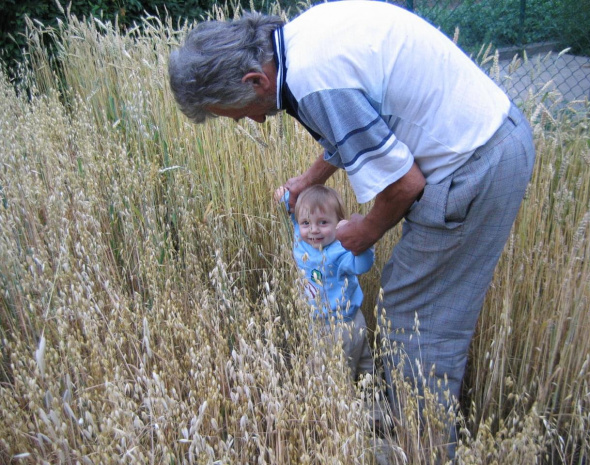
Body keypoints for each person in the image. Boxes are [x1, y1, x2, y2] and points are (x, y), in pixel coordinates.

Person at [168, 0, 536, 449]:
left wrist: (366, 231)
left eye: (242, 111)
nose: (255, 120)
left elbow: (404, 184)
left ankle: (418, 451)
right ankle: (401, 430)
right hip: (488, 141)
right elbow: (360, 124)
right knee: (410, 306)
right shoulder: (300, 41)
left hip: (477, 164)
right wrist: (311, 178)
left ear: (255, 81)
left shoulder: (316, 83)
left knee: (417, 320)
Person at [274, 184, 375, 382]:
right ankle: (374, 405)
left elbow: (361, 265)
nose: (313, 230)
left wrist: (364, 244)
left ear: (339, 224)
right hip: (344, 320)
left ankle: (346, 410)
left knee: (335, 378)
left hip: (336, 328)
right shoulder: (301, 238)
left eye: (323, 222)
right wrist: (284, 197)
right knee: (364, 369)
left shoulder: (340, 252)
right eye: (306, 223)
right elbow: (294, 213)